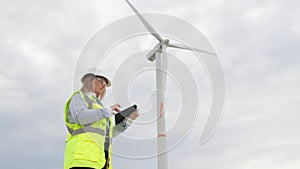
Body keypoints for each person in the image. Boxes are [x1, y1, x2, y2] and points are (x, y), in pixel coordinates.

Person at [64, 71, 139, 169]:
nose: (103, 86)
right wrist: (107, 111)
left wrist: (128, 120)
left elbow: (110, 134)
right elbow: (80, 117)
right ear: (89, 81)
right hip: (81, 161)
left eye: (105, 85)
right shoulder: (78, 97)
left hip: (100, 163)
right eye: (100, 82)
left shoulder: (100, 109)